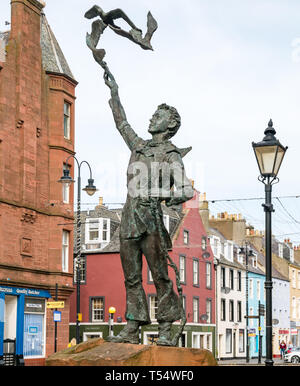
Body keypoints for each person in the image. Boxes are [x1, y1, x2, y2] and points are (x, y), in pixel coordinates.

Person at [103, 65, 194, 346]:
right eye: (154, 114)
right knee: (131, 276)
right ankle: (133, 325)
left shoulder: (171, 156)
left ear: (168, 125)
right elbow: (122, 124)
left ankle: (166, 326)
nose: (152, 117)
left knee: (159, 276)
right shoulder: (139, 146)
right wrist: (114, 93)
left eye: (158, 115)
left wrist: (160, 196)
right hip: (129, 218)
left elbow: (186, 190)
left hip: (152, 220)